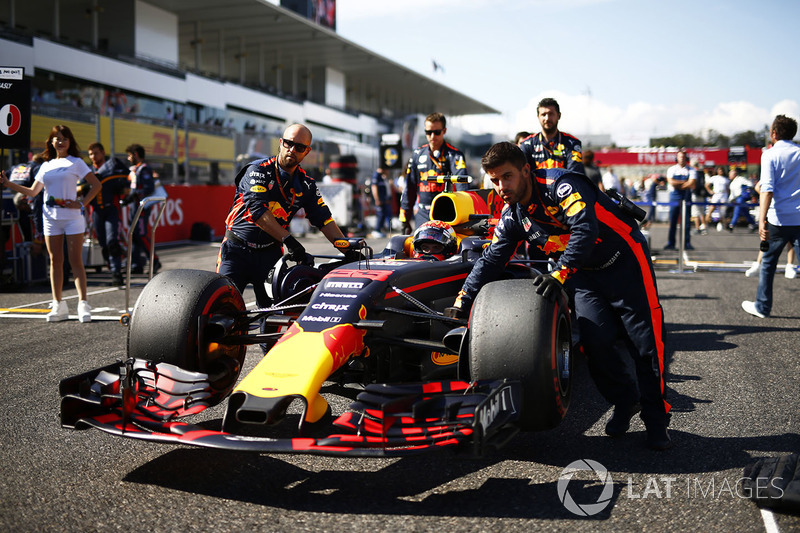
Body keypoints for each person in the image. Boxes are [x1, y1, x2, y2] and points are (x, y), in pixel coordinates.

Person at [447, 141, 672, 450]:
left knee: (645, 345)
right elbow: (490, 260)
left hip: (625, 262)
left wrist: (560, 273)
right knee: (595, 344)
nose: (501, 186)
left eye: (507, 177)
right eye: (495, 180)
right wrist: (463, 300)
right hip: (585, 273)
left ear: (526, 170)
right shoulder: (514, 216)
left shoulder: (561, 184)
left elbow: (584, 229)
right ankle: (625, 400)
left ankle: (656, 419)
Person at [217, 123, 356, 330]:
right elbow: (258, 212)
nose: (292, 150)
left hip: (270, 255)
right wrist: (289, 240)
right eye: (289, 143)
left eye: (299, 147)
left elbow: (324, 220)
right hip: (236, 250)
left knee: (272, 317)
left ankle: (271, 358)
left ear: (307, 151)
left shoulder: (306, 184)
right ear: (281, 143)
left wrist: (347, 250)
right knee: (221, 314)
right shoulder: (256, 170)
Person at [0, 125, 101, 322]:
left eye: (64, 138)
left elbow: (96, 185)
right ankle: (58, 305)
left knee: (75, 262)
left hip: (73, 219)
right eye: (57, 138)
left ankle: (83, 304)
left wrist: (81, 203)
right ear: (51, 141)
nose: (60, 141)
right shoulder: (45, 166)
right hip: (50, 219)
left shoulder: (77, 162)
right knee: (55, 261)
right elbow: (32, 192)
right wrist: (8, 184)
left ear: (69, 142)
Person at [742, 115, 800, 318]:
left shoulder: (769, 154)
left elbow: (766, 189)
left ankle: (762, 307)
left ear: (774, 133)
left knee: (768, 264)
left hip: (777, 218)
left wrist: (761, 218)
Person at [399, 112, 468, 234]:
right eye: (428, 132)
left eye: (437, 132)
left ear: (444, 131)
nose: (432, 136)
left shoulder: (454, 155)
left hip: (447, 212)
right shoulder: (416, 154)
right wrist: (405, 218)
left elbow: (463, 187)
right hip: (423, 213)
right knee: (420, 248)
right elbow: (409, 188)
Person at [85, 143, 129, 286]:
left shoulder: (113, 168)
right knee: (103, 244)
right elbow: (78, 189)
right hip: (96, 212)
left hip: (112, 210)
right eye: (91, 154)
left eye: (96, 153)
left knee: (112, 242)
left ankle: (116, 273)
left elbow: (126, 186)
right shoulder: (87, 171)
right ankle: (113, 267)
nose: (93, 157)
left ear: (103, 153)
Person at [123, 144, 161, 274]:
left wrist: (135, 194)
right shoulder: (135, 169)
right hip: (134, 206)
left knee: (141, 234)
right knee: (133, 234)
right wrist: (128, 197)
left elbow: (149, 188)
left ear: (136, 154)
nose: (128, 158)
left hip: (142, 207)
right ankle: (136, 264)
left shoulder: (144, 169)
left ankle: (155, 260)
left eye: (129, 155)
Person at [519, 97, 584, 173]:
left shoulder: (572, 143)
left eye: (551, 114)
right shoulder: (527, 144)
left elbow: (575, 174)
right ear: (538, 117)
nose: (547, 118)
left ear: (559, 116)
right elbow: (522, 175)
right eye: (543, 114)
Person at [664, 150, 696, 250]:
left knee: (686, 222)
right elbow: (670, 182)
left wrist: (679, 184)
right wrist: (684, 183)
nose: (681, 159)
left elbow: (691, 183)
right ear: (676, 158)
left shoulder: (691, 170)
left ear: (686, 158)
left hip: (686, 196)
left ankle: (687, 243)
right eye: (679, 157)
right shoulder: (672, 169)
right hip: (674, 196)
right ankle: (671, 243)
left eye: (683, 157)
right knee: (673, 221)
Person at [370, 167, 394, 238]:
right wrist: (377, 199)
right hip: (379, 200)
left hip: (384, 200)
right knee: (380, 215)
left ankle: (380, 230)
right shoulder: (376, 176)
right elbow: (374, 188)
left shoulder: (383, 177)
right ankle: (376, 230)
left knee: (384, 215)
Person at [705, 166, 730, 231]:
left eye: (722, 170)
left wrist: (728, 196)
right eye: (719, 170)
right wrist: (710, 191)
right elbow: (707, 185)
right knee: (711, 209)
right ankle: (705, 224)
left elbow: (727, 189)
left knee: (722, 211)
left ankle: (721, 224)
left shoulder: (726, 179)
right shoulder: (714, 178)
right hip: (716, 195)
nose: (721, 171)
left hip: (724, 195)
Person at [690, 159, 708, 235]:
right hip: (702, 194)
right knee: (701, 212)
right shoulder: (702, 172)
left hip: (695, 194)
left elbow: (693, 184)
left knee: (695, 213)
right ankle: (704, 227)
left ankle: (697, 228)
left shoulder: (693, 172)